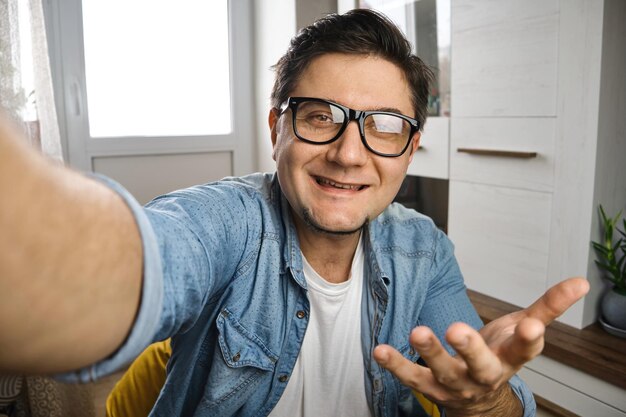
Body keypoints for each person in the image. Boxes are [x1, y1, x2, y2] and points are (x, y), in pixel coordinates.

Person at [0, 9, 588, 417]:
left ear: (409, 150)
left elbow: (487, 396)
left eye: (384, 127)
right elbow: (103, 272)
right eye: (319, 117)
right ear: (277, 126)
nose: (349, 154)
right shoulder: (228, 223)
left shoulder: (424, 250)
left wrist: (484, 402)